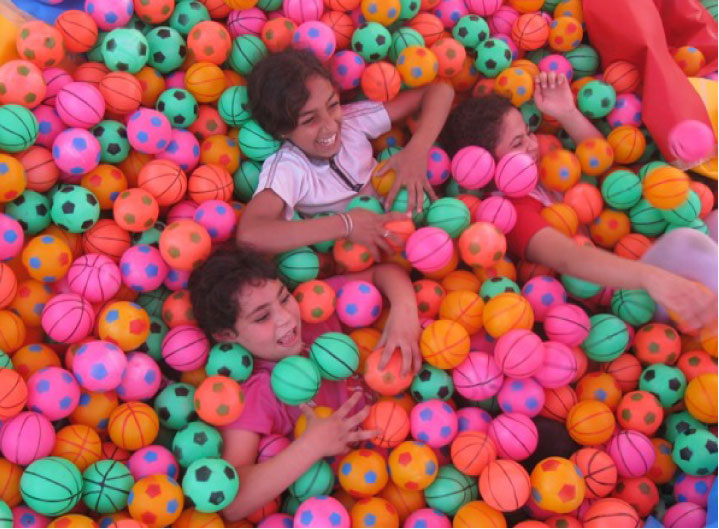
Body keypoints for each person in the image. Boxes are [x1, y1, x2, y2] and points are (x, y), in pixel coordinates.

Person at [439, 72, 717, 333]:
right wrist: (652, 278)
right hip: (629, 302)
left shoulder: (544, 167)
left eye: (528, 132)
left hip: (644, 246)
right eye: (517, 143)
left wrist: (566, 112)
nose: (533, 144)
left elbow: (604, 165)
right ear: (483, 165)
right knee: (686, 243)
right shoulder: (511, 215)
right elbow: (570, 258)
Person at [188, 245, 420, 522]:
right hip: (364, 498)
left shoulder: (316, 314)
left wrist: (406, 312)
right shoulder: (255, 393)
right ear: (227, 335)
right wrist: (312, 445)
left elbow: (385, 273)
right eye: (262, 317)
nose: (286, 318)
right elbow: (233, 501)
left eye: (284, 298)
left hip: (417, 445)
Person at [237, 49, 455, 260]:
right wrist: (348, 224)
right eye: (309, 120)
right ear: (282, 131)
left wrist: (417, 150)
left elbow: (439, 90)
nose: (330, 126)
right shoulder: (289, 167)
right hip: (359, 258)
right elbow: (250, 235)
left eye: (332, 105)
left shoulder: (352, 122)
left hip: (421, 232)